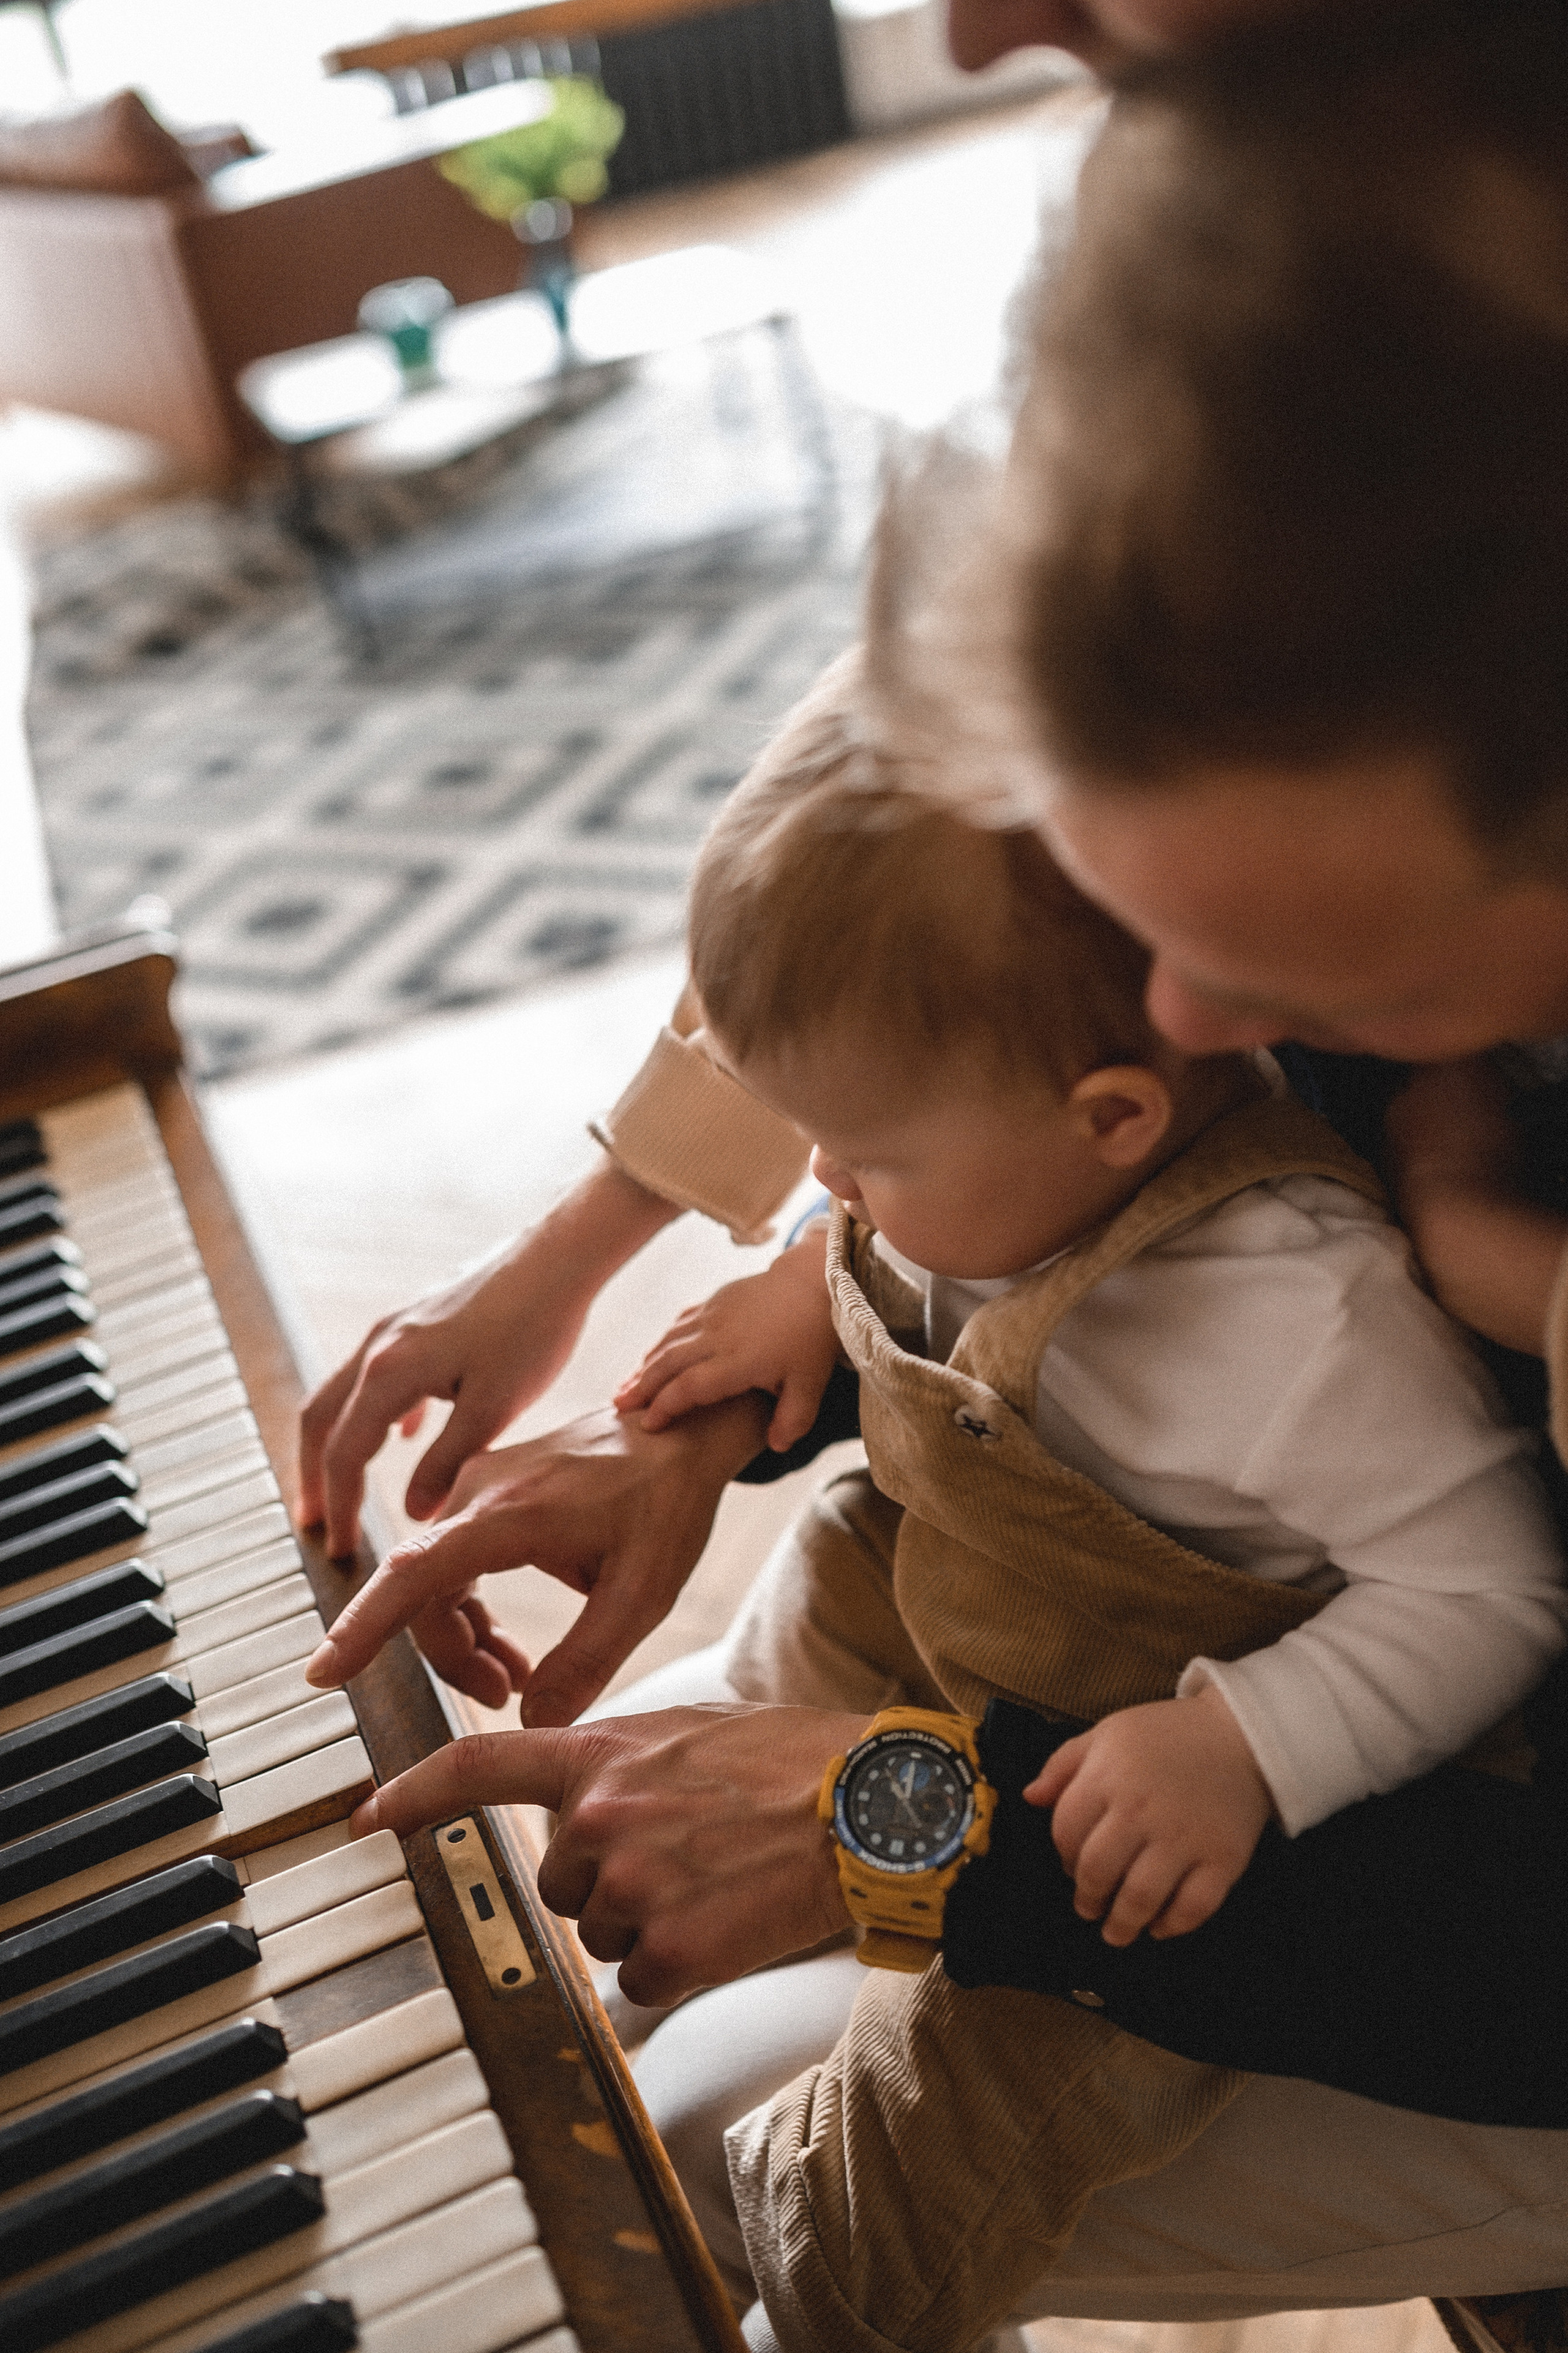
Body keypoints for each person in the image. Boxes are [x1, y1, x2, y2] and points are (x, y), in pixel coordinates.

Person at [302, 4, 1568, 2349]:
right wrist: (743, 1329)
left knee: (698, 2146)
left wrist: (912, 1824)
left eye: (1290, 974)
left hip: (1451, 1922)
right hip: (1124, 1713)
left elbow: (1510, 1912)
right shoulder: (1327, 301)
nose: (1179, 1032)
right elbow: (964, 895)